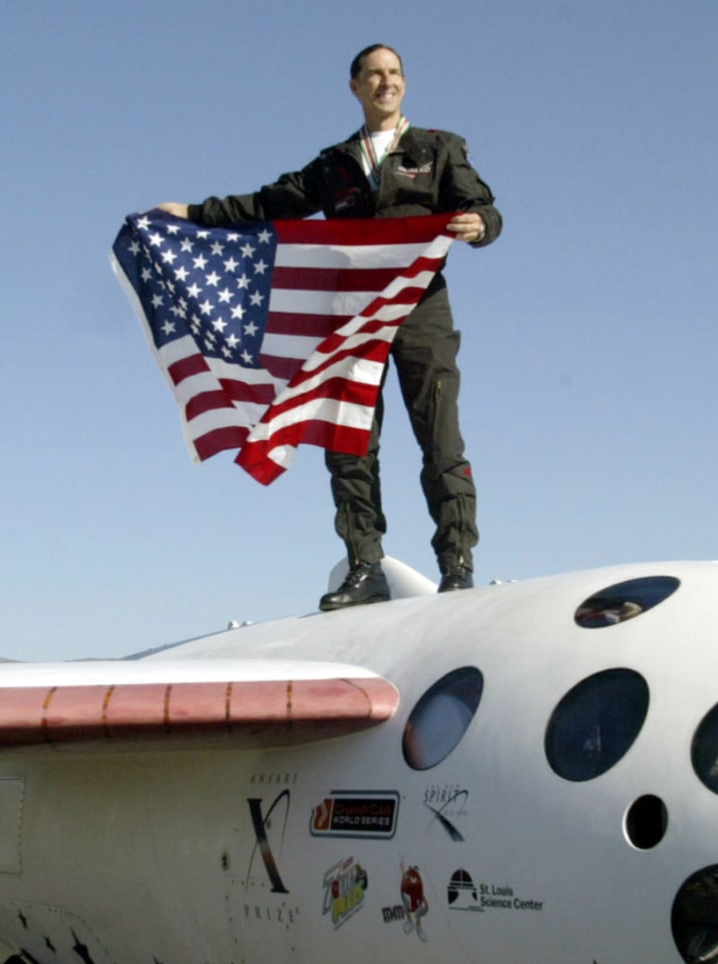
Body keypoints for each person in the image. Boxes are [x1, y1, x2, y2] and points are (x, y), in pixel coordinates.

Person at [156, 43, 502, 611]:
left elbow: (487, 209)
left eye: (393, 74)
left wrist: (479, 223)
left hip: (420, 313)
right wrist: (194, 214)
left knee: (439, 439)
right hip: (349, 318)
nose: (384, 83)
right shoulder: (335, 164)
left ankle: (456, 565)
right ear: (356, 87)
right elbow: (271, 202)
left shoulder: (439, 149)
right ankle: (366, 566)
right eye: (373, 75)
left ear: (404, 84)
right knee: (349, 444)